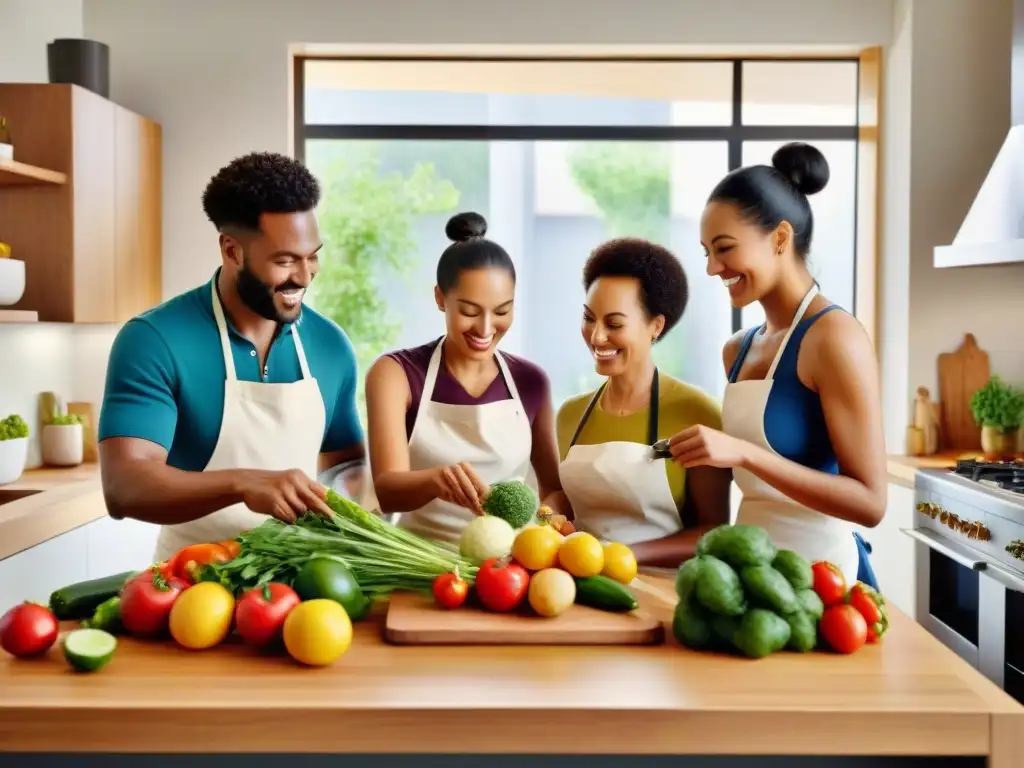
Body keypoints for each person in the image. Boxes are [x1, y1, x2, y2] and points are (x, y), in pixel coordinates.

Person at [98, 151, 365, 561]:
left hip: (306, 583)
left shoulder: (330, 345)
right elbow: (124, 486)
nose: (306, 275)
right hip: (189, 586)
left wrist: (377, 489)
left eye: (312, 255)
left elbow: (345, 468)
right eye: (285, 261)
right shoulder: (155, 340)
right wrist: (242, 484)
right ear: (232, 250)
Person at [670, 141, 886, 588]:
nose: (712, 267)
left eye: (724, 248)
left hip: (823, 587)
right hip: (752, 581)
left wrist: (745, 453)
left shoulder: (834, 337)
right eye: (706, 251)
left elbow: (870, 503)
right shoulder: (739, 348)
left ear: (781, 239)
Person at [363, 212, 562, 545]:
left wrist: (545, 521)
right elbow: (387, 492)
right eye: (470, 311)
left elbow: (553, 490)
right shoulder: (395, 374)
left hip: (510, 568)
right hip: (423, 566)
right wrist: (435, 480)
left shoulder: (531, 381)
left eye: (502, 311)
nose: (485, 329)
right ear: (440, 298)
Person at [551, 238, 732, 571]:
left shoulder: (697, 413)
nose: (596, 337)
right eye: (590, 318)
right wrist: (548, 514)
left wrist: (622, 556)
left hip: (665, 589)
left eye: (614, 324)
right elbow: (564, 502)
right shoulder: (570, 415)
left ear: (656, 326)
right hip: (581, 584)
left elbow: (714, 532)